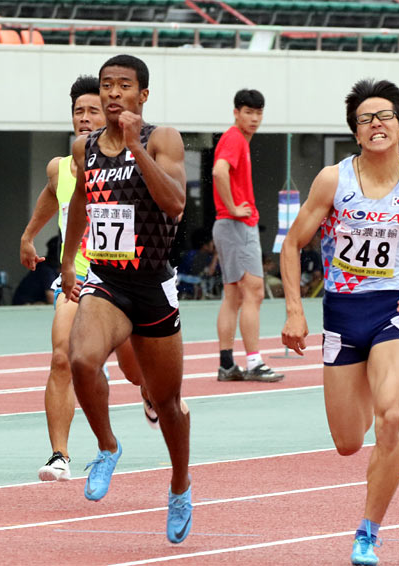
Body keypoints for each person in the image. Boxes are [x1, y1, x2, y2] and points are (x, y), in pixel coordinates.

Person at [280, 78, 399, 566]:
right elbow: (292, 244)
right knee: (348, 443)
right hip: (340, 312)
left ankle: (367, 532)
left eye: (384, 117)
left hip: (393, 311)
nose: (375, 125)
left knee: (392, 417)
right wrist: (295, 309)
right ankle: (366, 510)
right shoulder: (333, 181)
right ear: (355, 133)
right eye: (364, 119)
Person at [60, 55, 192, 544]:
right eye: (107, 85)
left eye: (124, 86)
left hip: (153, 284)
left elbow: (175, 203)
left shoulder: (163, 138)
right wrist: (67, 258)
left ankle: (179, 483)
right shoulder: (85, 147)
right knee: (81, 359)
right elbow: (80, 202)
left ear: (143, 96)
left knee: (169, 403)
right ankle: (107, 446)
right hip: (106, 280)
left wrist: (136, 148)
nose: (113, 93)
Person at [19, 74, 161, 483]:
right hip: (80, 276)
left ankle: (149, 391)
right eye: (78, 112)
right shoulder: (61, 167)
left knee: (136, 370)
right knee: (62, 357)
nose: (84, 119)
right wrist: (28, 236)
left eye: (92, 111)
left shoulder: (134, 160)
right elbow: (53, 195)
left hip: (127, 280)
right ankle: (59, 455)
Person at [212, 89, 283, 383]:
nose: (254, 118)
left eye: (258, 113)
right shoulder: (234, 138)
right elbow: (219, 172)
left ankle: (227, 364)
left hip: (227, 226)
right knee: (253, 292)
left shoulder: (235, 139)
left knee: (233, 296)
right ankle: (253, 362)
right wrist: (233, 207)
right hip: (236, 224)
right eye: (248, 112)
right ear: (236, 113)